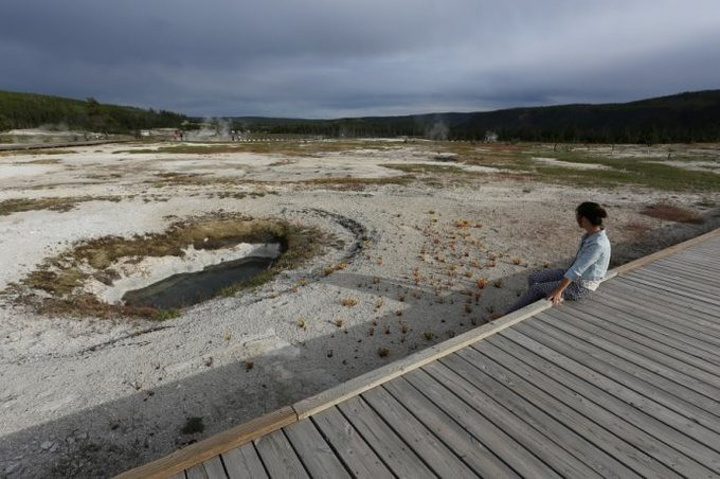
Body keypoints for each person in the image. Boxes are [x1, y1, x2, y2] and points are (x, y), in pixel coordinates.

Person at [504, 202, 611, 314]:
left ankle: (507, 314)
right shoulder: (591, 235)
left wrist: (558, 291)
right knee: (534, 278)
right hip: (573, 275)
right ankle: (533, 304)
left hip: (581, 286)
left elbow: (576, 271)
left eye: (578, 216)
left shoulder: (598, 244)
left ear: (583, 219)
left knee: (536, 289)